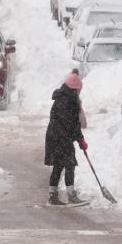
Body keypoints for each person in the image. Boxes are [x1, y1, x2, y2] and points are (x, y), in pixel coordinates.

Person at [45, 69, 88, 206]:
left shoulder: (62, 98)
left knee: (58, 166)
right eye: (79, 90)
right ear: (74, 90)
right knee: (69, 164)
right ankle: (71, 196)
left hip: (55, 136)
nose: (79, 93)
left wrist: (79, 138)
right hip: (61, 138)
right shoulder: (68, 102)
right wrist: (80, 139)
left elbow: (71, 124)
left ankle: (53, 196)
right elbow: (72, 124)